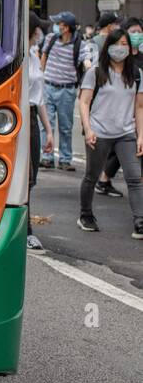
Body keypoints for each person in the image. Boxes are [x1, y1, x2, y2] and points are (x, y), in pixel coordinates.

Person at [76, 26, 143, 238]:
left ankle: (140, 222)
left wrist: (141, 135)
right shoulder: (95, 72)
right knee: (91, 176)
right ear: (108, 47)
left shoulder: (136, 74)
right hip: (99, 132)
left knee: (134, 178)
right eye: (116, 44)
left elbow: (139, 107)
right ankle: (85, 215)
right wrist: (88, 130)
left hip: (126, 134)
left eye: (124, 44)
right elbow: (84, 102)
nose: (120, 48)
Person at [40, 12, 92, 171]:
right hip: (48, 86)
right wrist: (41, 74)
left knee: (65, 126)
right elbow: (44, 55)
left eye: (59, 23)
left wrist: (90, 71)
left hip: (67, 90)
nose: (57, 26)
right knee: (46, 124)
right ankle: (46, 157)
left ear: (66, 27)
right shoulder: (51, 39)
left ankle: (65, 159)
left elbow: (86, 61)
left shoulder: (79, 44)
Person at [26, 14, 54, 252]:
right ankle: (25, 230)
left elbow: (40, 97)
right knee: (24, 175)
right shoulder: (15, 57)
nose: (41, 34)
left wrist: (48, 129)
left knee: (31, 174)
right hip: (18, 116)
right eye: (39, 30)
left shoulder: (34, 55)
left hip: (32, 115)